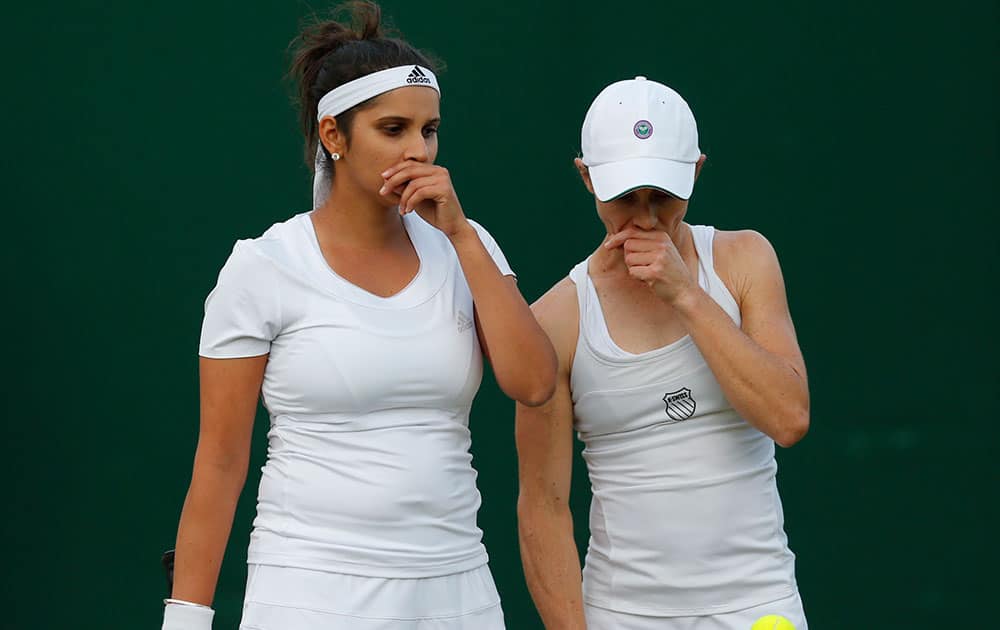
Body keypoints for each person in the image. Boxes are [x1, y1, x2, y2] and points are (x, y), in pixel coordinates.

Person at [161, 3, 557, 629]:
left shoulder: (467, 247)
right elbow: (219, 461)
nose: (418, 149)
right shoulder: (264, 266)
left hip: (456, 591)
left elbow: (534, 383)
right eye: (393, 128)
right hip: (309, 592)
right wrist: (186, 619)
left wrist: (463, 238)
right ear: (334, 136)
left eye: (429, 130)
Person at [515, 76, 810, 630]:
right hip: (623, 616)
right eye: (626, 197)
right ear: (587, 178)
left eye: (664, 196)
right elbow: (543, 508)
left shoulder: (745, 261)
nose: (646, 219)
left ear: (696, 172)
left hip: (758, 607)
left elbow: (789, 417)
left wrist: (685, 295)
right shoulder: (556, 319)